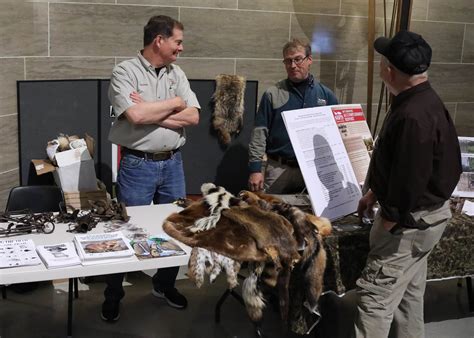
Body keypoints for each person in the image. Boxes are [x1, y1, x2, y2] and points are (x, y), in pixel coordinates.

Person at [354, 30, 462, 338]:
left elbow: (410, 176)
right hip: (426, 219)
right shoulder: (423, 100)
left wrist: (391, 218)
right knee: (408, 297)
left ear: (389, 71)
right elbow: (410, 165)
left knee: (375, 298)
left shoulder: (413, 115)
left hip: (408, 226)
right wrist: (375, 190)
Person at [103, 15, 200, 322]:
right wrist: (174, 103)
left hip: (173, 163)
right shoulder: (124, 71)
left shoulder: (177, 73)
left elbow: (194, 117)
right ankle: (114, 294)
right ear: (160, 40)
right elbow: (133, 115)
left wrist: (153, 112)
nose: (181, 49)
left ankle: (164, 285)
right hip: (137, 165)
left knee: (173, 227)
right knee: (127, 230)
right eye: (178, 42)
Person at [248, 38, 338, 194]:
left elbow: (336, 133)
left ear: (309, 60)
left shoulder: (326, 95)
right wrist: (256, 169)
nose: (293, 65)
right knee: (272, 215)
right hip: (278, 170)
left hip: (313, 171)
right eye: (288, 61)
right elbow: (259, 134)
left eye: (298, 59)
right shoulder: (272, 94)